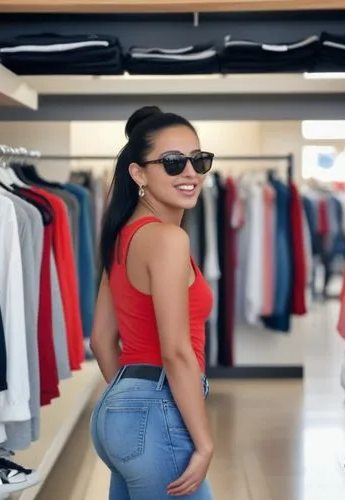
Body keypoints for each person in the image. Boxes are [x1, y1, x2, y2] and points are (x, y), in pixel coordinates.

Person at [90, 105, 216, 499]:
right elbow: (176, 352)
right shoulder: (167, 239)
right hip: (157, 410)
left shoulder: (124, 234)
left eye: (198, 160)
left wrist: (131, 404)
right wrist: (204, 441)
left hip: (117, 412)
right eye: (173, 163)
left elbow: (100, 340)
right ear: (138, 173)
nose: (190, 172)